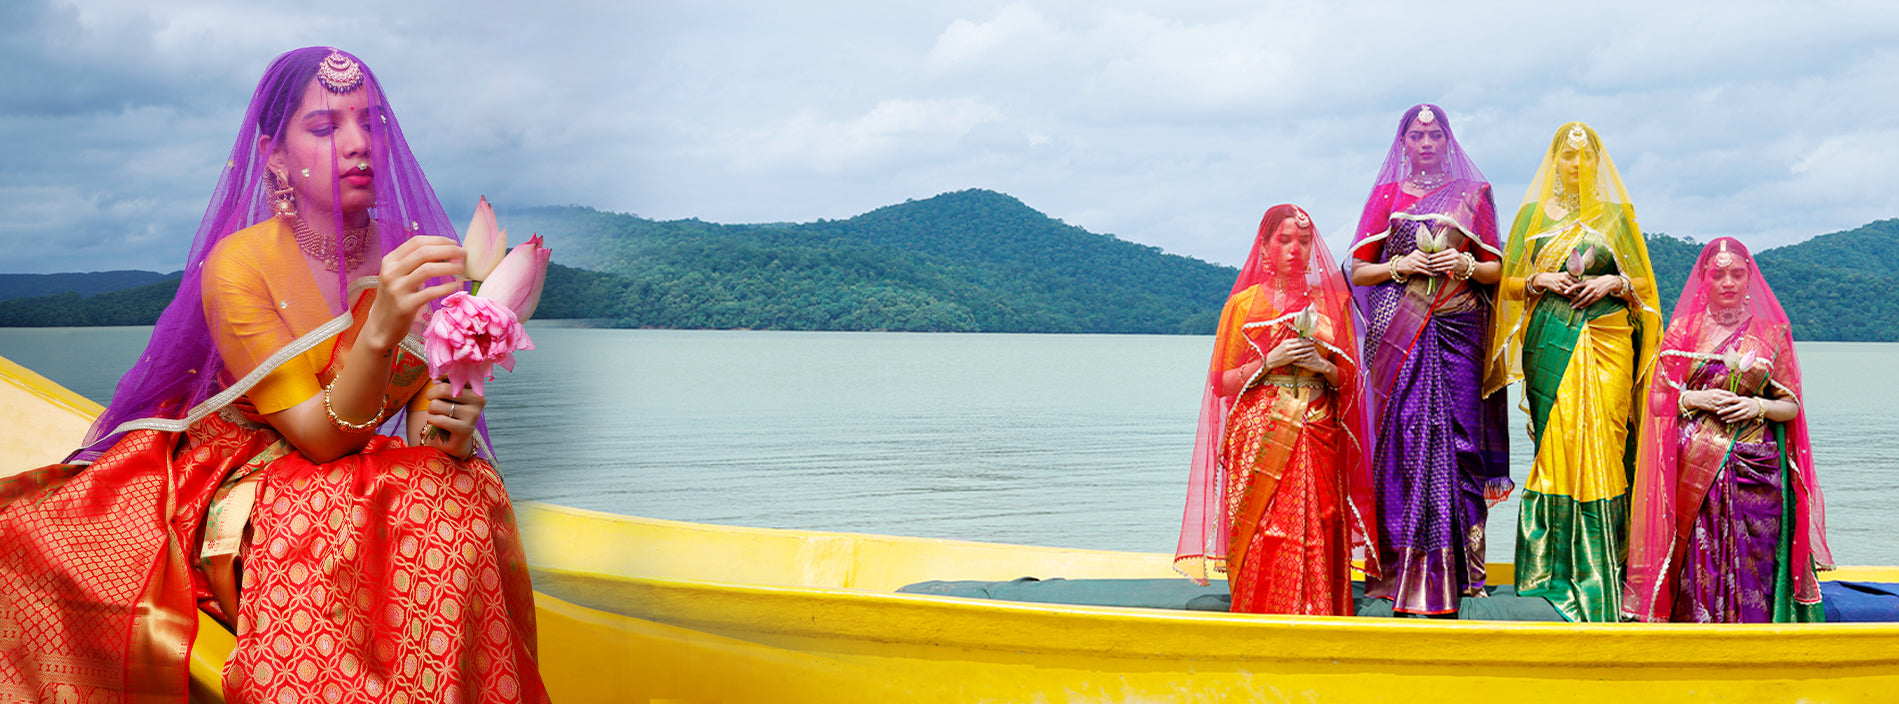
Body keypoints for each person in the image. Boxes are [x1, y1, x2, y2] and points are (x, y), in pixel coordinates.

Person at [0, 48, 547, 701]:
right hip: (254, 461)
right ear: (274, 155)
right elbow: (315, 438)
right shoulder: (240, 267)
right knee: (352, 512)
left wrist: (452, 420)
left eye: (370, 123)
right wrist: (378, 327)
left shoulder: (413, 250)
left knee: (463, 487)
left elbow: (428, 422)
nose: (357, 144)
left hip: (366, 452)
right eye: (325, 127)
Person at [1483, 122, 1663, 623]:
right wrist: (1540, 277)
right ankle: (1547, 572)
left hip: (1606, 339)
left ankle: (1607, 568)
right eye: (1567, 155)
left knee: (1605, 442)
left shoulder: (1616, 217)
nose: (1576, 164)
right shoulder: (1532, 216)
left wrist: (1614, 279)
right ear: (1554, 161)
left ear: (1598, 163)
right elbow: (1507, 284)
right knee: (1555, 446)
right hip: (1551, 341)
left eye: (1586, 157)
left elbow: (1644, 284)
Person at [1346, 105, 1513, 617]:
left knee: (1460, 440)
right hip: (1400, 331)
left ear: (1447, 141)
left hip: (1459, 328)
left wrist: (1465, 263)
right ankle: (1396, 565)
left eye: (1434, 134)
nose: (1425, 142)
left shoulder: (1474, 196)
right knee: (1404, 439)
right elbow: (1356, 267)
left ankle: (1464, 570)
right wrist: (1399, 264)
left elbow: (1496, 268)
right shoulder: (1385, 196)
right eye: (1415, 135)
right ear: (1402, 143)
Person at [1175, 204, 1379, 615]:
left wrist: (1321, 366)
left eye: (1303, 242)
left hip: (1319, 423)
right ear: (1264, 246)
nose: (1294, 250)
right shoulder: (1243, 306)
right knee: (1266, 524)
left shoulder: (1332, 305)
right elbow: (1222, 382)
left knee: (1320, 518)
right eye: (1284, 240)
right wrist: (1270, 359)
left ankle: (1319, 607)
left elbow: (1353, 381)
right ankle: (1258, 606)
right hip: (1260, 429)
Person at [1624, 238, 1832, 622]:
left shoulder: (1773, 334)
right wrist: (1695, 400)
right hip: (1695, 467)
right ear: (1703, 280)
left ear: (1749, 278)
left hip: (1757, 468)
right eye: (1718, 274)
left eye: (1737, 274)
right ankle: (1695, 628)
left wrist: (1758, 405)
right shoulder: (1683, 331)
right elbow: (1654, 402)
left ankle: (1758, 632)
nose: (1728, 282)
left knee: (1757, 560)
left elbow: (1791, 406)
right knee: (1700, 555)